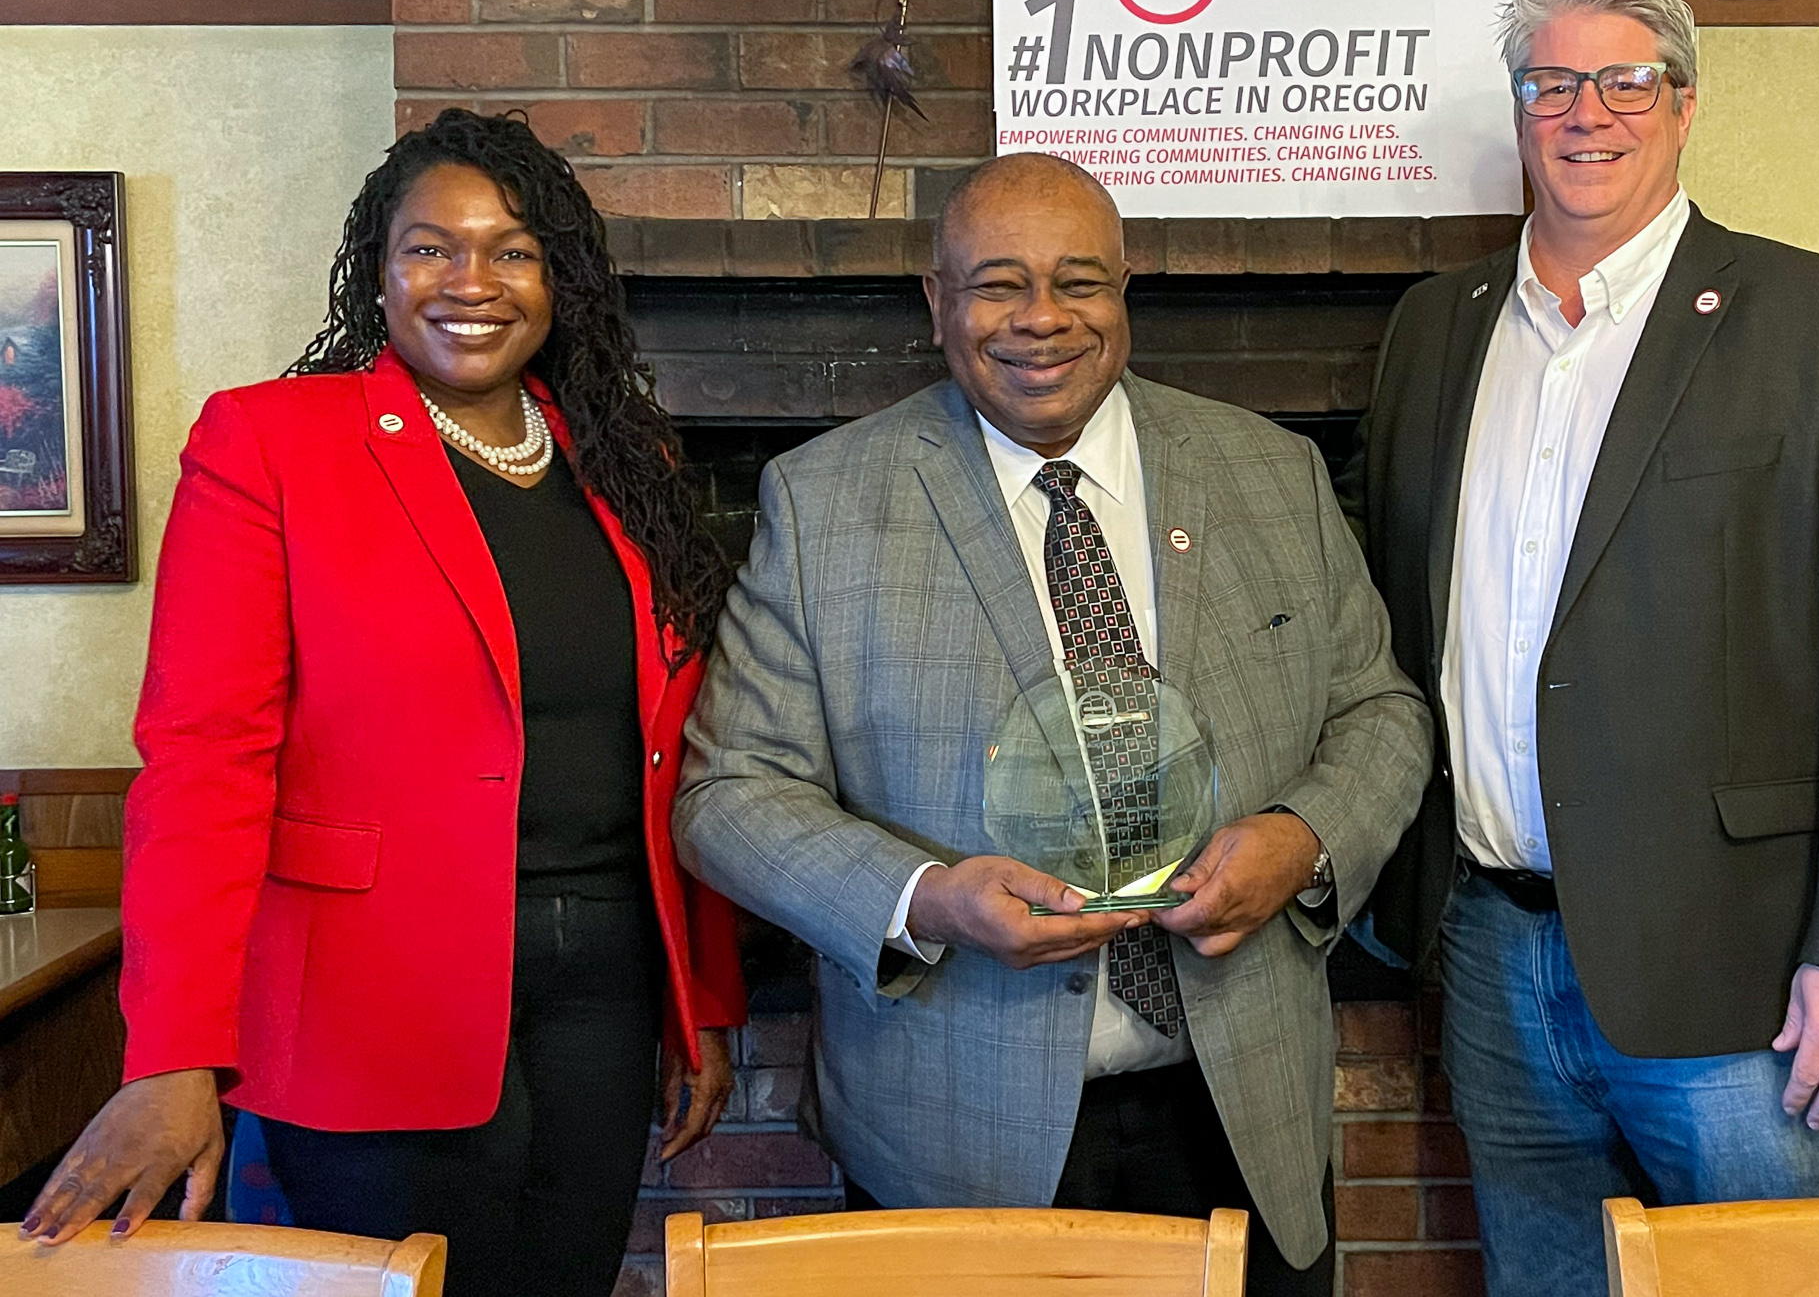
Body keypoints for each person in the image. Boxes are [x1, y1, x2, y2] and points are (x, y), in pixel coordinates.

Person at [674, 153, 1432, 1297]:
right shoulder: (821, 501)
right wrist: (925, 898)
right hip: (955, 1120)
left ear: (1125, 293)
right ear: (936, 302)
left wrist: (1303, 838)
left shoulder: (1270, 472)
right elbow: (727, 794)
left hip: (1238, 1104)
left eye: (1078, 280)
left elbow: (1379, 710)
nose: (1041, 318)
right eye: (996, 283)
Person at [22, 110, 747, 1297]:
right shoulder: (271, 443)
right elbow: (204, 760)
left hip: (601, 984)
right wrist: (172, 1054)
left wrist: (698, 996)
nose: (472, 282)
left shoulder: (626, 466)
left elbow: (678, 750)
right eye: (431, 247)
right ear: (378, 269)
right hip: (369, 993)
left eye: (512, 251)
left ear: (557, 280)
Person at [1345, 0, 1819, 1296]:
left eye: (1625, 80)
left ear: (1684, 106)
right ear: (1518, 112)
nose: (1588, 112)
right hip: (1496, 959)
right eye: (1552, 83)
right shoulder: (1432, 331)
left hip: (1749, 975)